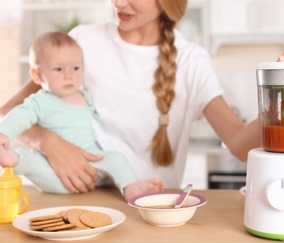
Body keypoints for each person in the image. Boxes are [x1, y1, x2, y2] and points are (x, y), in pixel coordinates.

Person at [0, 0, 284, 194]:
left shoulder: (191, 61)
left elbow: (239, 144)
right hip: (86, 200)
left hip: (154, 209)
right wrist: (46, 141)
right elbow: (10, 111)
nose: (118, 2)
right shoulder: (83, 41)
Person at [0, 31, 163, 201]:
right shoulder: (40, 101)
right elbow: (20, 115)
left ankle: (130, 186)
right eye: (58, 69)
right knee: (31, 161)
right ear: (37, 75)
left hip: (91, 160)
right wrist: (3, 133)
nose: (69, 75)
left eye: (75, 68)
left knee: (117, 158)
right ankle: (13, 160)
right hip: (54, 171)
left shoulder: (85, 96)